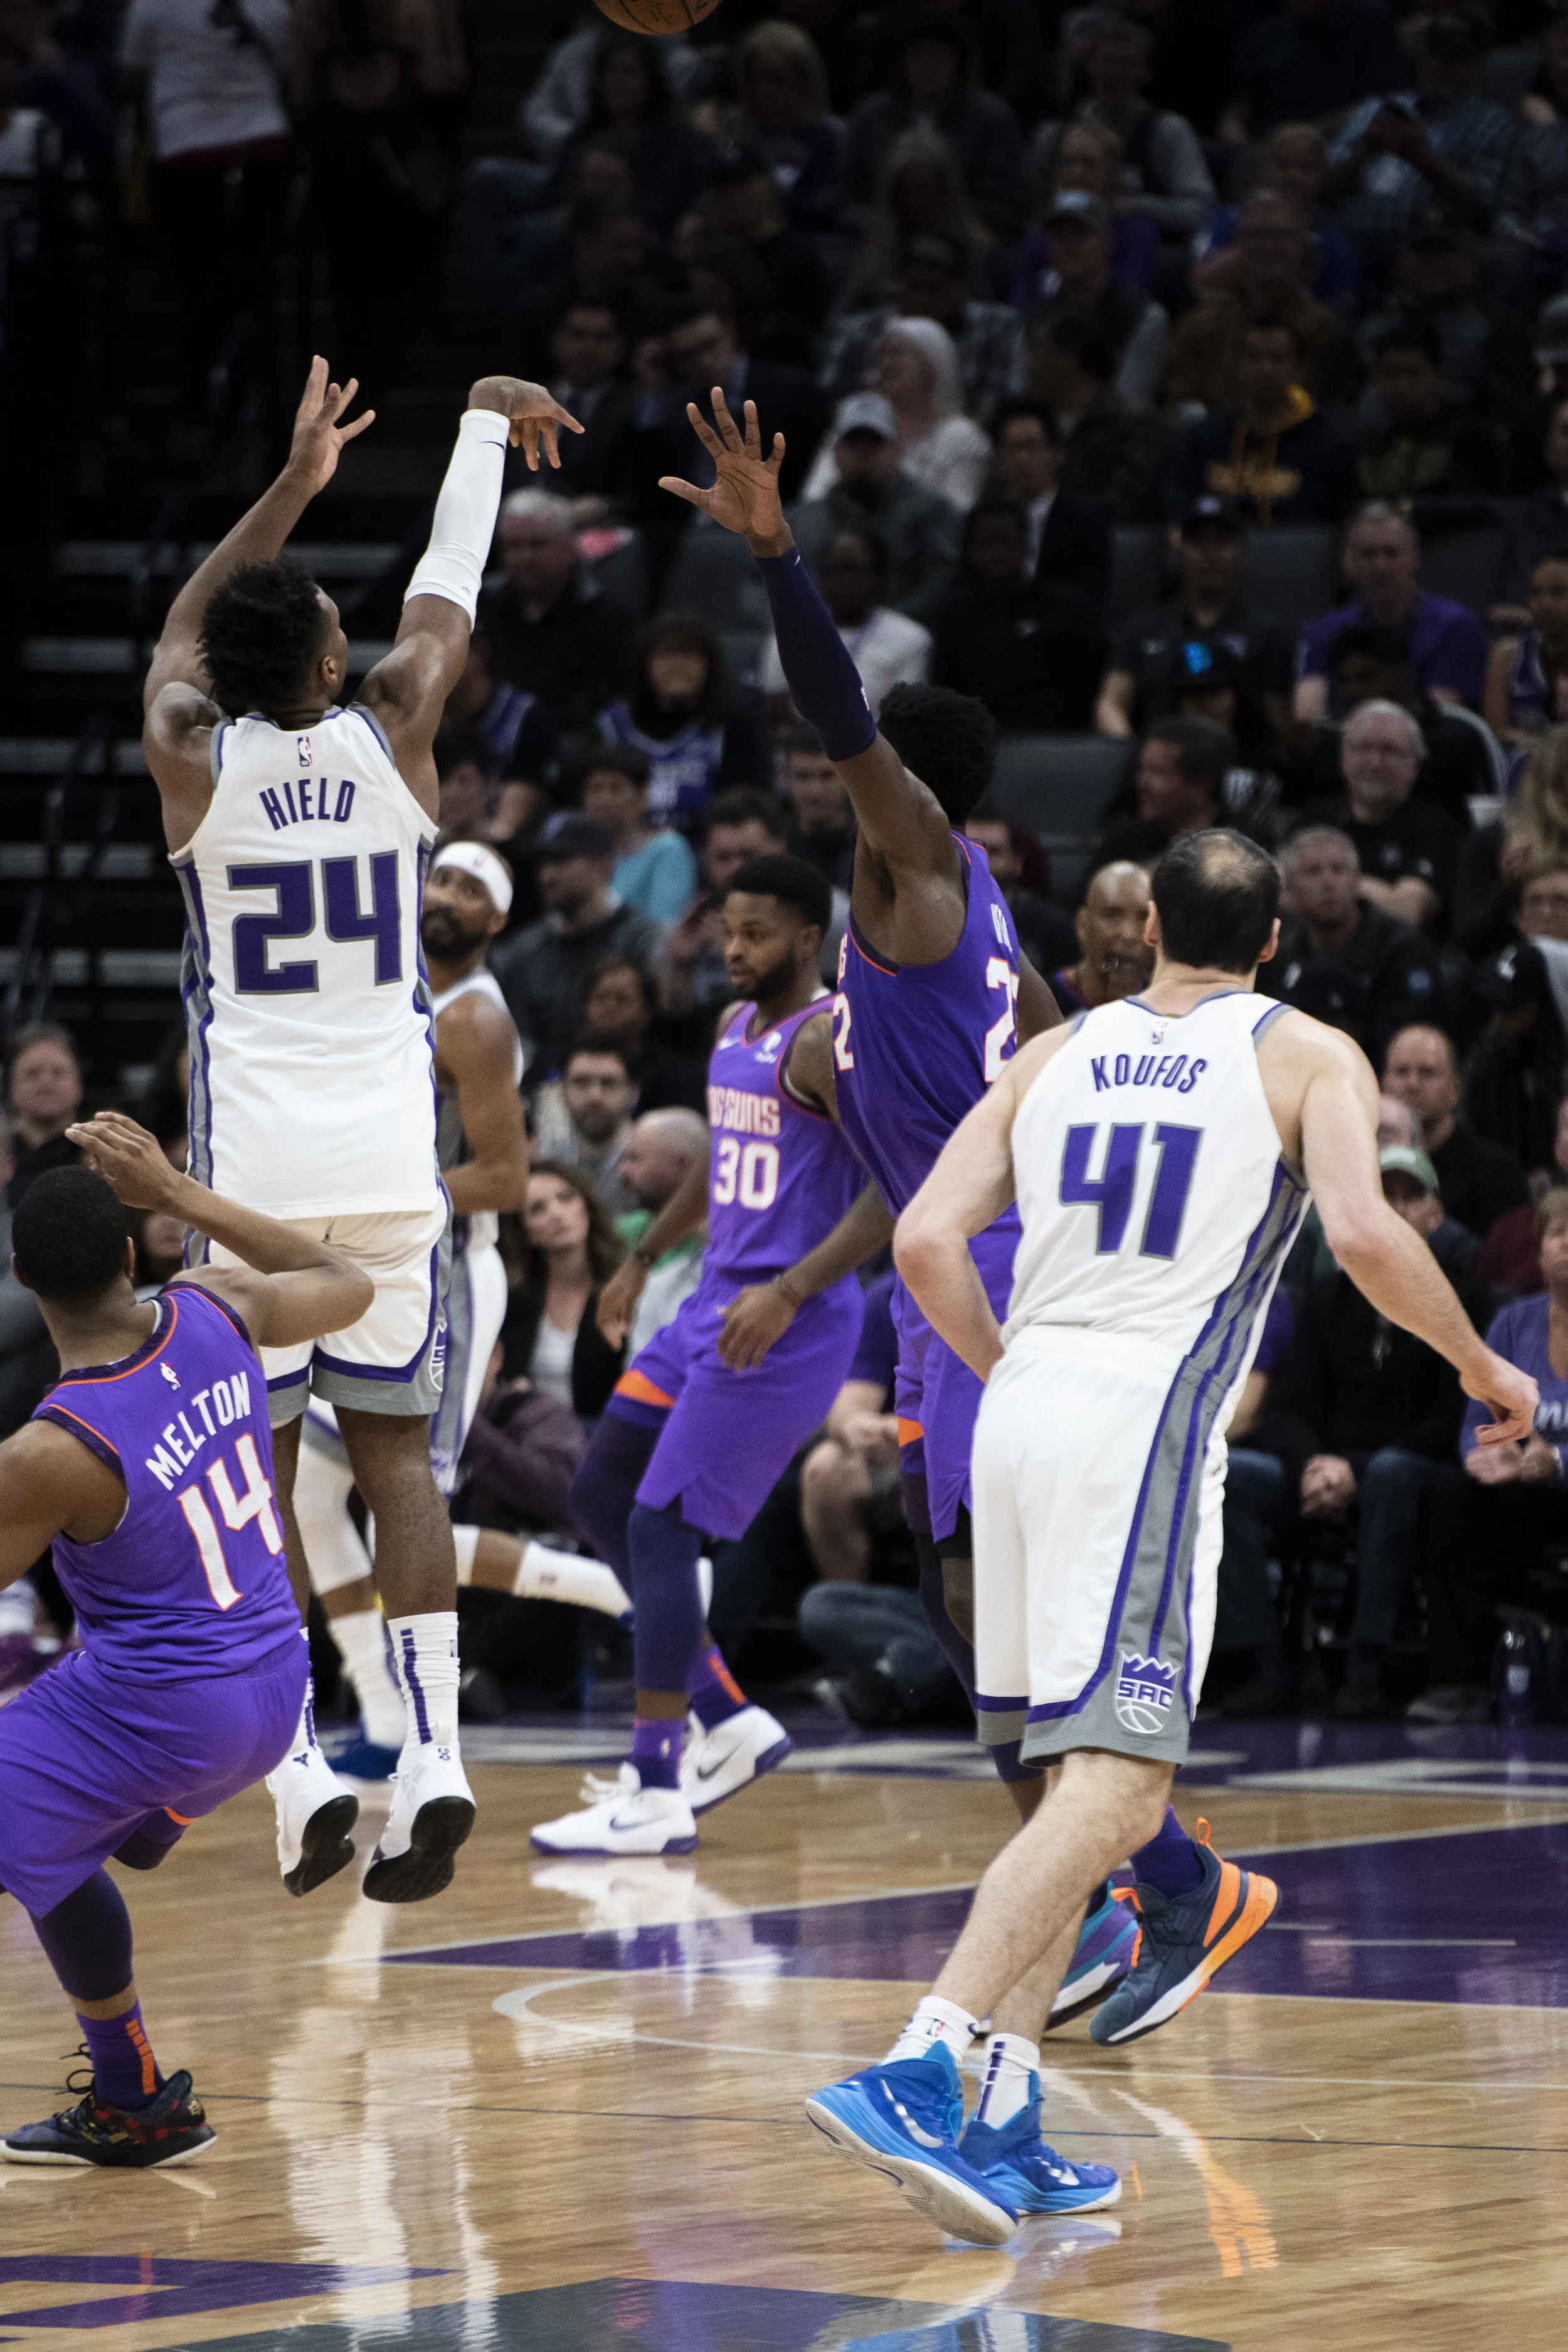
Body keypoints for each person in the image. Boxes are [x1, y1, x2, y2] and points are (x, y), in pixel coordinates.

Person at [805, 829, 1535, 2243]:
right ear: (1270, 942)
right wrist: (1480, 1364)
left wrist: (1012, 1365)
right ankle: (920, 2064)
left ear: (1145, 927)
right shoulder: (1306, 1052)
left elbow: (923, 1242)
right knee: (1121, 1789)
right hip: (1140, 1423)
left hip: (1016, 1413)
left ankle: (1006, 2113)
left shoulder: (1052, 1051)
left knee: (1068, 1788)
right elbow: (1365, 1235)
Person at [659, 389, 1202, 2046]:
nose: (838, 772)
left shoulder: (910, 865)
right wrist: (862, 1073)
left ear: (901, 783)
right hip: (963, 1266)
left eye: (864, 765)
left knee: (995, 1619)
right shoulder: (972, 916)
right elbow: (1045, 1039)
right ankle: (1113, 1885)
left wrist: (778, 558)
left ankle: (1163, 1878)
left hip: (981, 1280)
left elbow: (837, 709)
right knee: (977, 1612)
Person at [139, 360, 580, 1902]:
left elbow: (182, 633)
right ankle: (439, 1753)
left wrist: (292, 482)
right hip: (392, 1170)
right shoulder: (396, 729)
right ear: (334, 658)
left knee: (255, 1477)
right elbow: (450, 590)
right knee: (397, 1461)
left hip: (253, 1183)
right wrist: (480, 425)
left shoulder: (192, 752)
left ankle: (300, 1769)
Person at [0, 1118, 375, 2164]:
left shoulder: (50, 1450)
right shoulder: (217, 1305)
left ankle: (134, 2098)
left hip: (170, 1709)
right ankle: (130, 2089)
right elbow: (349, 1283)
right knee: (47, 1835)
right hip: (280, 1690)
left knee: (21, 1819)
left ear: (21, 1278)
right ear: (132, 1252)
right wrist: (181, 1192)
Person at [532, 855, 887, 1855]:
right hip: (710, 1304)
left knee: (658, 1525)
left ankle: (654, 1784)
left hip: (784, 1323)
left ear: (808, 938)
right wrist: (643, 1253)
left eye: (756, 934)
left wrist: (791, 1289)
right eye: (729, 931)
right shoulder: (733, 1025)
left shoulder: (824, 1041)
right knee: (601, 1490)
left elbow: (893, 1189)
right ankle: (726, 1716)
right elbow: (717, 1162)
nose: (734, 949)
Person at [290, 839, 530, 1779]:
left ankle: (433, 1729)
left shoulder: (474, 1018)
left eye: (472, 888)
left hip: (448, 1273)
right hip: (374, 1258)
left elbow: (504, 1177)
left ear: (497, 921)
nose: (448, 895)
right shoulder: (385, 990)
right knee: (311, 1492)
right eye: (442, 877)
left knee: (407, 1496)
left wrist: (373, 1199)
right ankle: (380, 1710)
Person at [1263, 1141, 1488, 1719]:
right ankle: (1254, 1664)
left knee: (1390, 1475)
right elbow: (1292, 1406)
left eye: (1411, 1197)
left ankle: (1365, 1666)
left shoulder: (1464, 1297)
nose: (1398, 1208)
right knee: (1236, 1479)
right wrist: (1314, 1465)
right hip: (1326, 1466)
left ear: (1435, 1214)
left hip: (1415, 1463)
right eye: (1385, 1196)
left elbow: (1457, 1413)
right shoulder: (1328, 1299)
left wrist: (1355, 1472)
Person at [1413, 1187, 1568, 1722]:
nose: (1567, 1245)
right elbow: (1476, 1418)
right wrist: (1496, 1455)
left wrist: (1558, 1462)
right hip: (1522, 1491)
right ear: (1539, 1250)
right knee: (1453, 1496)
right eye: (1557, 1233)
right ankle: (1458, 1683)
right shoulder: (1511, 1322)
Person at [1322, 8, 1519, 273]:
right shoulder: (1377, 107)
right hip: (1347, 240)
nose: (1442, 67)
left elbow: (1484, 200)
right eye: (1436, 54)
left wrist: (1420, 156)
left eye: (1456, 58)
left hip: (1424, 249)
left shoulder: (1493, 122)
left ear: (1478, 66)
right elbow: (1323, 187)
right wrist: (1364, 151)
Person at [1096, 497, 1294, 741]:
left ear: (1243, 550)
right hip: (1156, 755)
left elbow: (1280, 723)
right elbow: (1110, 705)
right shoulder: (1141, 629)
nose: (1210, 555)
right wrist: (1137, 751)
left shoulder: (1272, 633)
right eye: (1199, 542)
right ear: (1179, 550)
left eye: (1222, 542)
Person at [492, 811, 662, 1080]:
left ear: (604, 865)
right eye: (543, 863)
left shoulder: (642, 939)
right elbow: (519, 1045)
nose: (546, 875)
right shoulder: (523, 950)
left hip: (631, 1084)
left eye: (561, 860)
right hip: (542, 1090)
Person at [841, 12, 1027, 242]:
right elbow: (844, 193)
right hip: (880, 240)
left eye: (939, 54)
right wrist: (881, 223)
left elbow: (1009, 199)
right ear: (902, 61)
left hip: (966, 242)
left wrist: (946, 223)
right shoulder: (872, 117)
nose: (928, 64)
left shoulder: (991, 118)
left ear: (958, 61)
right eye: (919, 54)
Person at [1293, 506, 1490, 723]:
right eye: (1368, 555)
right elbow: (1307, 714)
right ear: (1349, 563)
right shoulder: (1326, 630)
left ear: (1415, 558)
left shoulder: (1455, 626)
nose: (1381, 567)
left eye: (1391, 553)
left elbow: (1441, 716)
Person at [1033, 11, 1215, 242]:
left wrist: (1136, 206)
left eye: (1127, 65)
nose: (1114, 73)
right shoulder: (1055, 135)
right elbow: (1031, 206)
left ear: (1146, 73)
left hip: (1146, 249)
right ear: (1090, 66)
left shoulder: (1168, 131)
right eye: (1106, 61)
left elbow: (1203, 210)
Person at [929, 499, 1107, 732]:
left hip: (1058, 740)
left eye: (1007, 542)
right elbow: (944, 692)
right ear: (970, 551)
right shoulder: (954, 615)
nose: (998, 553)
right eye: (987, 544)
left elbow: (1095, 686)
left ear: (1026, 546)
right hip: (979, 741)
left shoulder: (1069, 608)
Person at [1168, 190, 1352, 414]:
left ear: (1301, 247)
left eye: (1279, 236)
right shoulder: (1202, 325)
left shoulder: (1324, 328)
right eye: (1256, 235)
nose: (1268, 246)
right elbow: (1178, 402)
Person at [1163, 318, 1358, 529]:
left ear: (1300, 369)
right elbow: (1178, 503)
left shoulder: (1328, 444)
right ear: (1238, 366)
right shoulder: (1204, 437)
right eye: (1253, 357)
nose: (1265, 369)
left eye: (1277, 359)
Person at [784, 390, 962, 620]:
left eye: (875, 442)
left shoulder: (933, 513)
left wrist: (882, 628)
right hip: (813, 631)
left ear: (898, 449)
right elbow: (761, 581)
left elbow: (942, 583)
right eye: (853, 442)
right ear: (836, 452)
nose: (864, 453)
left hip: (903, 634)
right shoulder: (801, 519)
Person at [1270, 828, 1443, 1058]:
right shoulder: (1276, 952)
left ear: (1357, 881)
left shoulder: (1402, 950)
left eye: (1339, 870)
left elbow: (1407, 1041)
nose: (1328, 882)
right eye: (1313, 872)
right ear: (1291, 889)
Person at [1294, 701, 1465, 932]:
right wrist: (1373, 891)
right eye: (1364, 748)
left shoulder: (1436, 827)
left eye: (1390, 750)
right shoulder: (1315, 819)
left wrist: (1320, 885)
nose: (1375, 763)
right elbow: (1277, 891)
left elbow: (1408, 911)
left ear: (1414, 765)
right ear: (1343, 759)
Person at [597, 612, 770, 833]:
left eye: (689, 655)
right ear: (644, 664)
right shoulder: (614, 725)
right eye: (666, 655)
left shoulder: (734, 725)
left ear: (710, 665)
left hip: (707, 843)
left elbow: (750, 801)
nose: (677, 665)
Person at [475, 489, 627, 734]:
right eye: (514, 546)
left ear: (570, 547)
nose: (525, 558)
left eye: (538, 545)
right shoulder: (479, 609)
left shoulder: (607, 618)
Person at [803, 318, 991, 516]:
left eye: (896, 354)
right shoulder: (854, 427)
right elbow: (814, 498)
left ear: (931, 364)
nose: (884, 365)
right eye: (881, 355)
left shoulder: (962, 438)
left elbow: (958, 514)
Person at [1016, 193, 1170, 411]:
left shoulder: (1143, 316)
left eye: (1082, 233)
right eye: (1060, 236)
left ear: (1109, 243)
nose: (1070, 245)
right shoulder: (1037, 317)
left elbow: (1131, 402)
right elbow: (1023, 392)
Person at [1193, 121, 1360, 317]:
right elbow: (1199, 281)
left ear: (1322, 177)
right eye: (1283, 165)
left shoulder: (1334, 243)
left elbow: (1339, 311)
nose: (1293, 176)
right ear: (1262, 169)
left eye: (1305, 168)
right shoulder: (1226, 221)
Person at [501, 1160, 626, 1417]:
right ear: (524, 1232)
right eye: (537, 1209)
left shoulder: (624, 1290)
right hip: (531, 1431)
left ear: (587, 1208)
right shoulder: (513, 1301)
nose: (557, 1214)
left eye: (566, 1198)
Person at [1383, 1024, 1530, 1238]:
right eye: (1401, 1072)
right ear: (1383, 1085)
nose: (1412, 1084)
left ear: (1455, 1089)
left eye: (1427, 1073)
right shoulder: (1361, 1166)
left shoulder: (1497, 1172)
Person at [1026, 312, 1167, 524]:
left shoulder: (1133, 421)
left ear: (1069, 356)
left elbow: (1123, 501)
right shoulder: (1029, 419)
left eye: (1037, 352)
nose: (1029, 364)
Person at [1353, 316, 1505, 504]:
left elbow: (1474, 505)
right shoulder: (1370, 448)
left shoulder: (1470, 437)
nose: (1401, 386)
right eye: (1390, 375)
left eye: (1413, 374)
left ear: (1438, 377)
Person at [1091, 716, 1256, 872]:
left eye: (1158, 772)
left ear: (1202, 787)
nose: (1142, 783)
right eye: (1143, 770)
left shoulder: (1247, 850)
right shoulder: (1122, 845)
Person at [988, 399, 1109, 606]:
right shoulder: (988, 518)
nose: (1022, 459)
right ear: (998, 458)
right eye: (1013, 449)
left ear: (1057, 454)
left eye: (1032, 447)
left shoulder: (1085, 517)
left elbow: (1089, 592)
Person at [613, 1107, 709, 1353]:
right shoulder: (618, 1233)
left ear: (681, 1165)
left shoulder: (718, 1239)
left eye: (635, 1159)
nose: (623, 1170)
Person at [577, 744, 696, 926]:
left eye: (616, 789)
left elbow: (665, 927)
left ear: (643, 796)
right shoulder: (577, 858)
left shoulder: (667, 849)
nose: (604, 800)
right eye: (595, 789)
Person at [531, 1034, 640, 1215]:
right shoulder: (544, 1158)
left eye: (608, 1083)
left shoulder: (650, 1161)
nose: (594, 1096)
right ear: (563, 1092)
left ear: (633, 1094)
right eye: (581, 1082)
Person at [1485, 549, 1568, 749]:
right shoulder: (1506, 657)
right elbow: (1496, 734)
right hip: (1522, 766)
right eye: (1536, 593)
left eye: (1558, 592)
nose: (1545, 604)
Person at [1047, 858, 1153, 1015]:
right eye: (1113, 915)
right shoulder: (1039, 1002)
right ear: (1083, 925)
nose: (1129, 935)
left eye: (1144, 917)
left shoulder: (1170, 1010)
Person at [6, 1022, 82, 1207]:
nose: (46, 1083)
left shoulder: (102, 1157)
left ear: (78, 1083)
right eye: (32, 1074)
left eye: (59, 1073)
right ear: (11, 1086)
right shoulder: (3, 1153)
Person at [776, 728, 856, 895]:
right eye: (803, 776)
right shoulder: (773, 847)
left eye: (827, 776)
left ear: (848, 776)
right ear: (785, 778)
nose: (815, 792)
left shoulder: (872, 848)